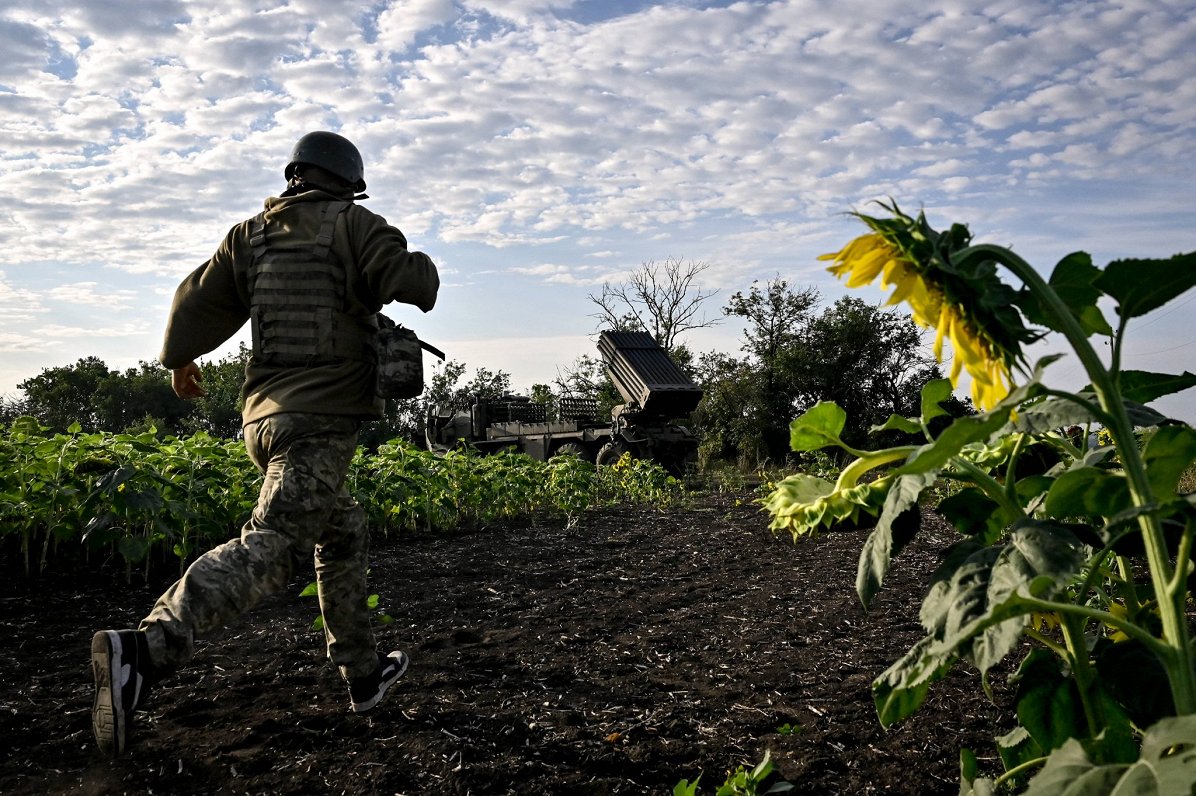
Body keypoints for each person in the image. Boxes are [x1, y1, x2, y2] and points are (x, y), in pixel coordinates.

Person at [90, 131, 440, 759]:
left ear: (294, 176)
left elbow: (193, 300)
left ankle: (363, 673)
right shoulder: (356, 223)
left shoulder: (248, 235)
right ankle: (145, 649)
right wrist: (419, 268)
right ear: (347, 181)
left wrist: (181, 360)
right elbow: (410, 283)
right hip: (320, 422)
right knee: (274, 547)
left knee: (342, 530)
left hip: (262, 420)